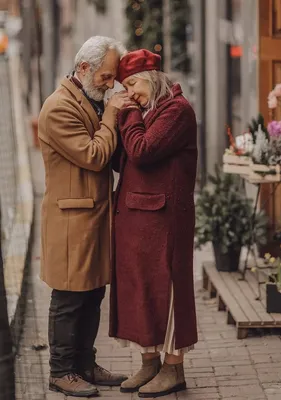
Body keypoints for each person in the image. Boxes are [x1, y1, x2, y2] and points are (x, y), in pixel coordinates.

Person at [38, 36, 128, 397]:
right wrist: (112, 115)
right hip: (71, 220)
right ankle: (60, 371)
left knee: (92, 294)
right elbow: (93, 155)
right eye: (106, 77)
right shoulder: (58, 108)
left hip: (91, 217)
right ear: (84, 68)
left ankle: (84, 364)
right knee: (69, 298)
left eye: (113, 78)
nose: (110, 85)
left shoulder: (86, 99)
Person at [109, 49, 198, 398]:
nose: (129, 92)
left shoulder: (177, 111)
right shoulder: (146, 111)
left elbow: (143, 150)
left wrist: (127, 112)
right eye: (125, 87)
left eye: (132, 83)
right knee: (140, 291)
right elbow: (124, 160)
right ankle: (149, 363)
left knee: (170, 291)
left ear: (152, 77)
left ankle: (173, 368)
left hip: (166, 221)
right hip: (135, 217)